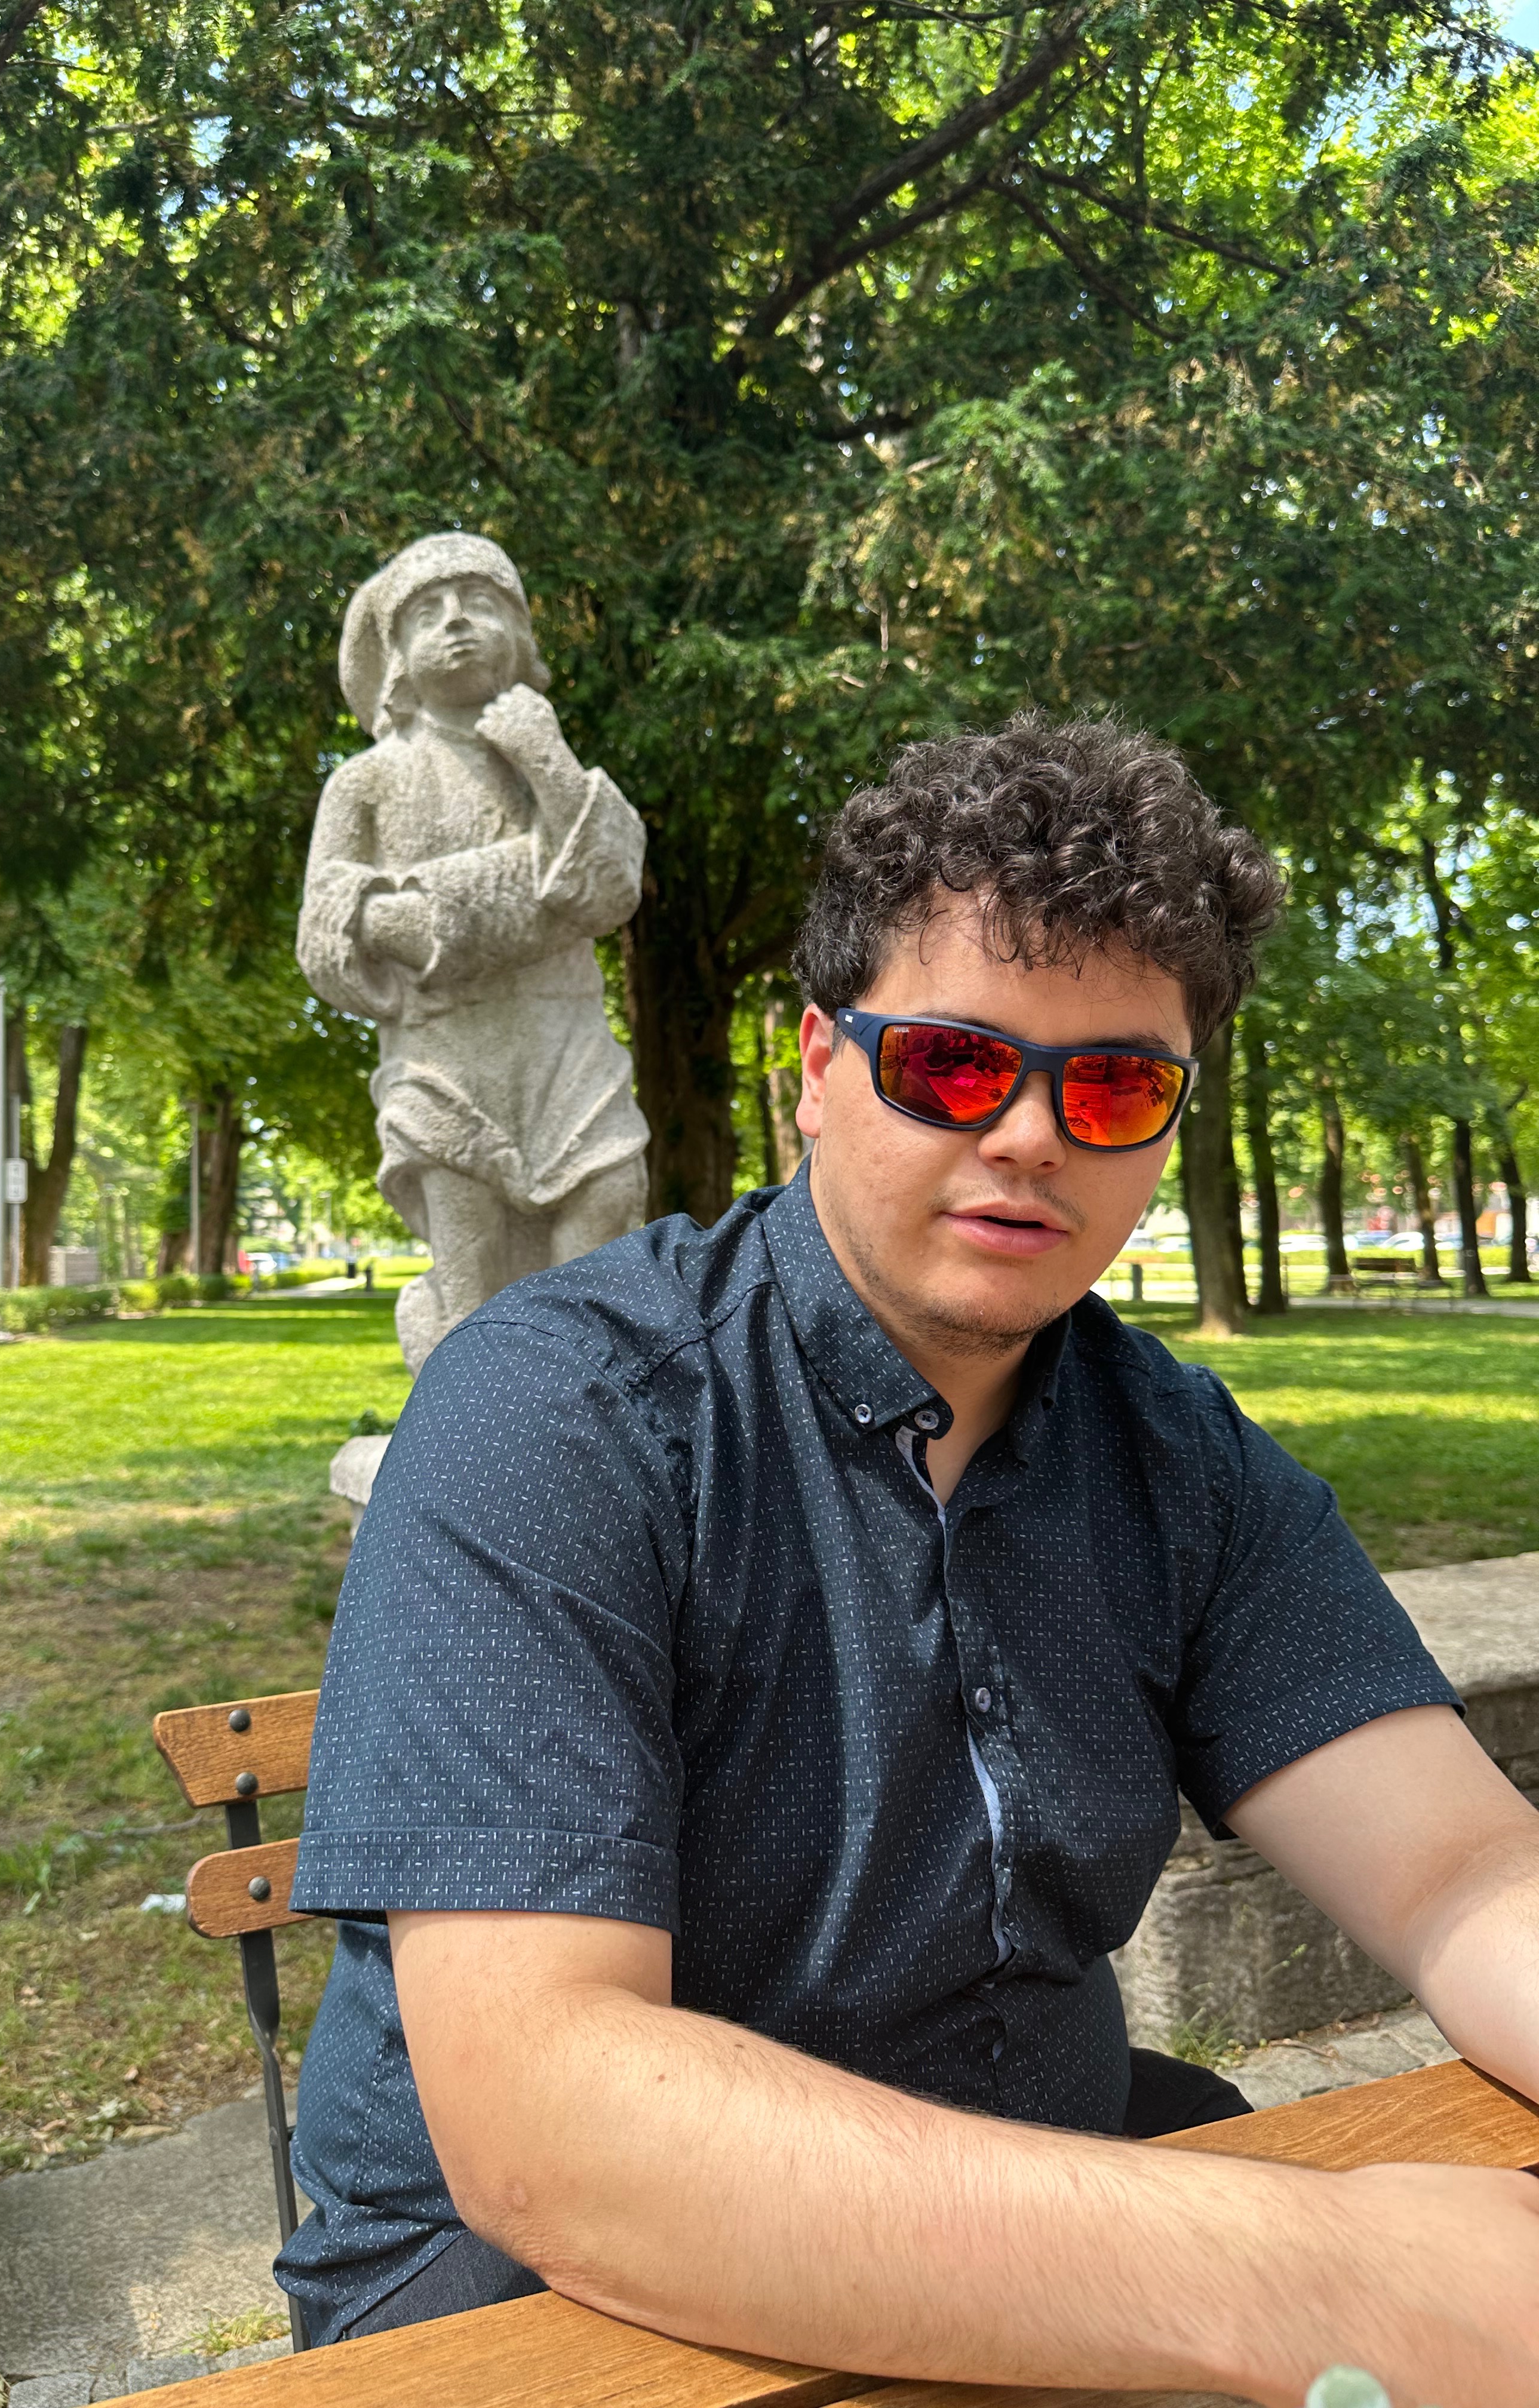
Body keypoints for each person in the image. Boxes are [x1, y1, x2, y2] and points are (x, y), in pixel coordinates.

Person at [280, 717, 1539, 2404]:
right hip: (536, 2298)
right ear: (818, 1067)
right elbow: (550, 2120)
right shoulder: (560, 1414)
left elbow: (1464, 1875)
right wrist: (1324, 2274)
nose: (1028, 1136)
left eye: (1114, 1086)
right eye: (951, 1065)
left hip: (1045, 2211)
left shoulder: (1179, 1461)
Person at [296, 532, 649, 1373]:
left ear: (520, 635)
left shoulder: (547, 764)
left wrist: (545, 758)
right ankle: (469, 1429)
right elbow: (324, 930)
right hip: (445, 1058)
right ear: (396, 659)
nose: (457, 622)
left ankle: (590, 1413)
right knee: (471, 1262)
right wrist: (424, 920)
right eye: (429, 613)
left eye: (482, 603)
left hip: (566, 1045)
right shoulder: (366, 782)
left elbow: (608, 889)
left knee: (609, 1197)